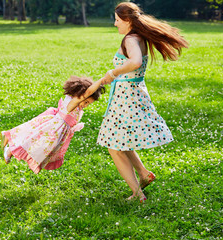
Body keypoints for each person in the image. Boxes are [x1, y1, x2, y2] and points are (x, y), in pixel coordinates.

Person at [68, 2, 188, 202]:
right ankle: (143, 173)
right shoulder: (138, 37)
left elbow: (135, 62)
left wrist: (113, 73)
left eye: (117, 20)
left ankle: (137, 193)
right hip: (130, 95)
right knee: (119, 139)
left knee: (113, 144)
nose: (115, 24)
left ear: (128, 20)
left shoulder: (130, 39)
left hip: (127, 98)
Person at [1, 76, 105, 174]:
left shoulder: (78, 107)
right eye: (85, 101)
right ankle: (10, 150)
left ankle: (9, 140)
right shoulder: (72, 103)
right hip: (52, 130)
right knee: (35, 144)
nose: (85, 105)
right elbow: (89, 92)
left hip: (58, 134)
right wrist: (101, 81)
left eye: (88, 103)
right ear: (77, 95)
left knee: (38, 146)